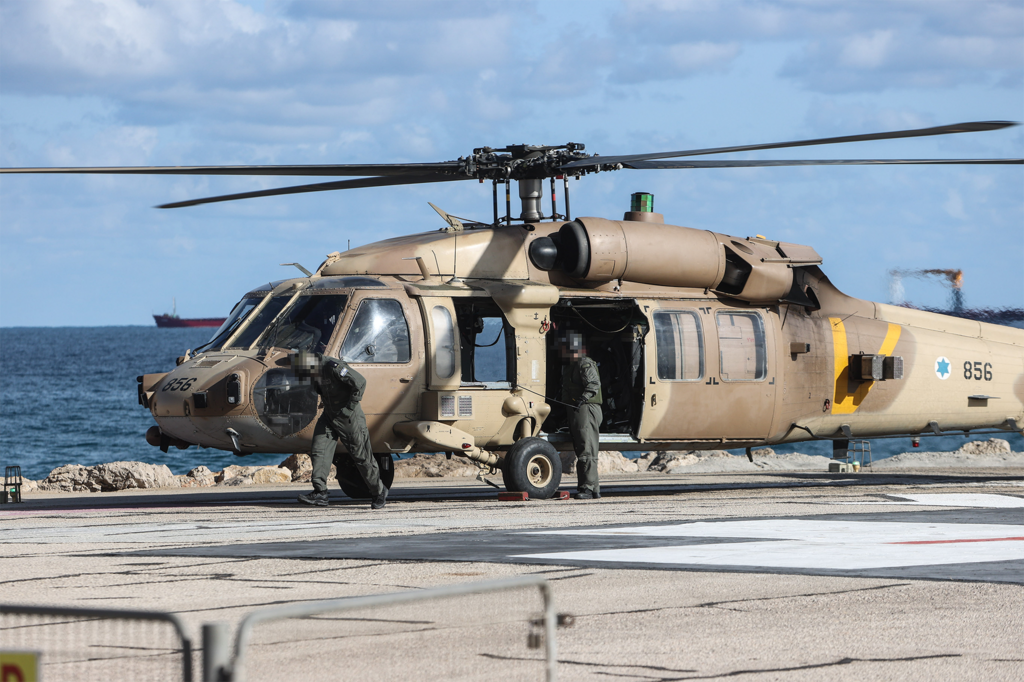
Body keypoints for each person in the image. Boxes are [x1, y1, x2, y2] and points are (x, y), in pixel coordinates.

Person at [290, 350, 387, 509]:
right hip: (329, 415)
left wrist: (348, 409)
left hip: (349, 418)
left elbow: (360, 382)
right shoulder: (311, 371)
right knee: (319, 450)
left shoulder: (333, 367)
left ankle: (379, 491)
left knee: (361, 456)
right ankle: (320, 493)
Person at [559, 331, 603, 499]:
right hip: (578, 409)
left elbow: (593, 384)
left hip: (586, 408)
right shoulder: (571, 366)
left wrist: (581, 399)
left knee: (587, 448)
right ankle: (594, 487)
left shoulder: (584, 363)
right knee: (584, 447)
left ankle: (588, 488)